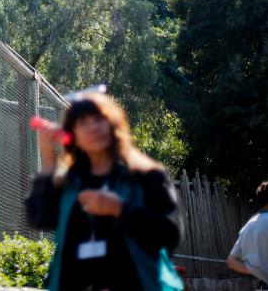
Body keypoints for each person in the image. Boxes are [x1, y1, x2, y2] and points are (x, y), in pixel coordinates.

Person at [26, 92, 184, 291]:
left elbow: (171, 233)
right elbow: (39, 219)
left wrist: (120, 209)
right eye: (83, 122)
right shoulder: (69, 182)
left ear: (114, 125)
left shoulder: (147, 175)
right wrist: (49, 162)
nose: (94, 126)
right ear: (72, 135)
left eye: (99, 119)